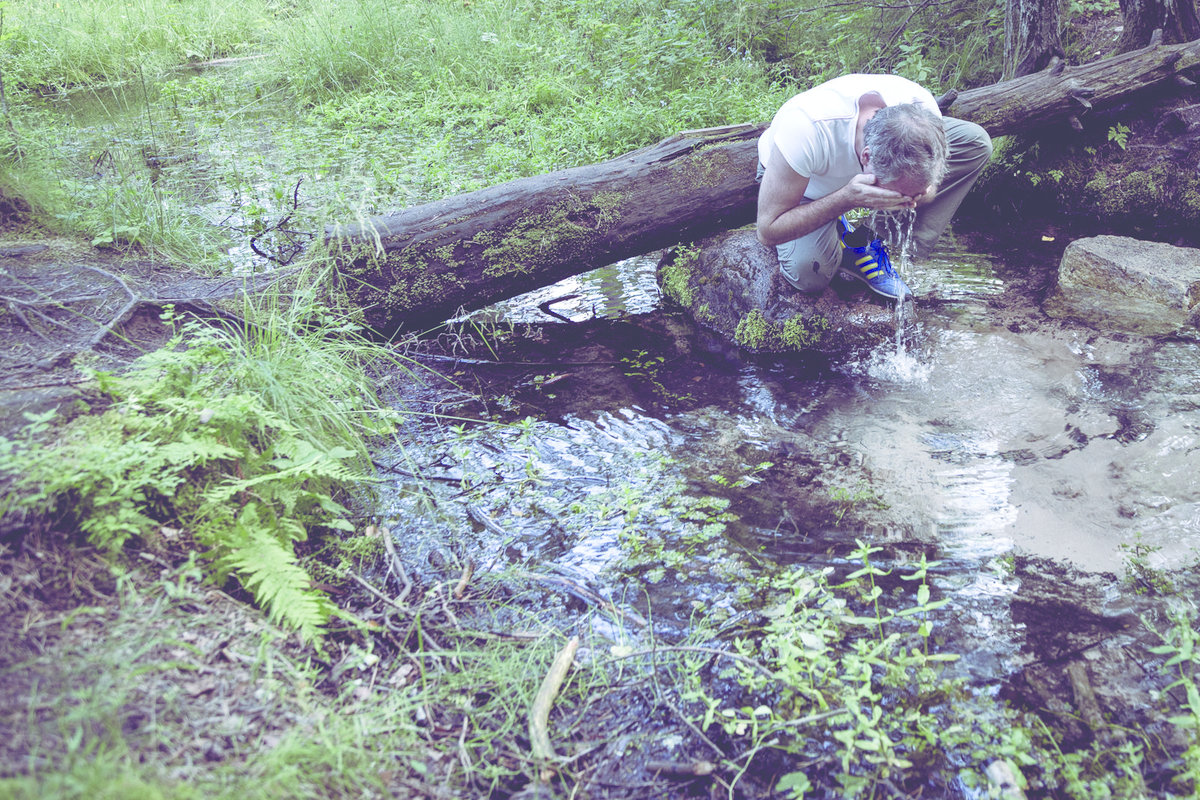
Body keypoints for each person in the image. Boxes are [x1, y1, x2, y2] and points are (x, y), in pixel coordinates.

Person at [755, 74, 992, 300]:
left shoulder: (922, 111)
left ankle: (865, 242)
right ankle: (838, 234)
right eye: (893, 196)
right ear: (866, 158)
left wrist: (924, 193)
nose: (905, 204)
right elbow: (767, 230)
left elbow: (931, 182)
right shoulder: (807, 130)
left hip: (881, 152)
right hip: (802, 184)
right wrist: (846, 199)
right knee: (810, 274)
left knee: (975, 142)